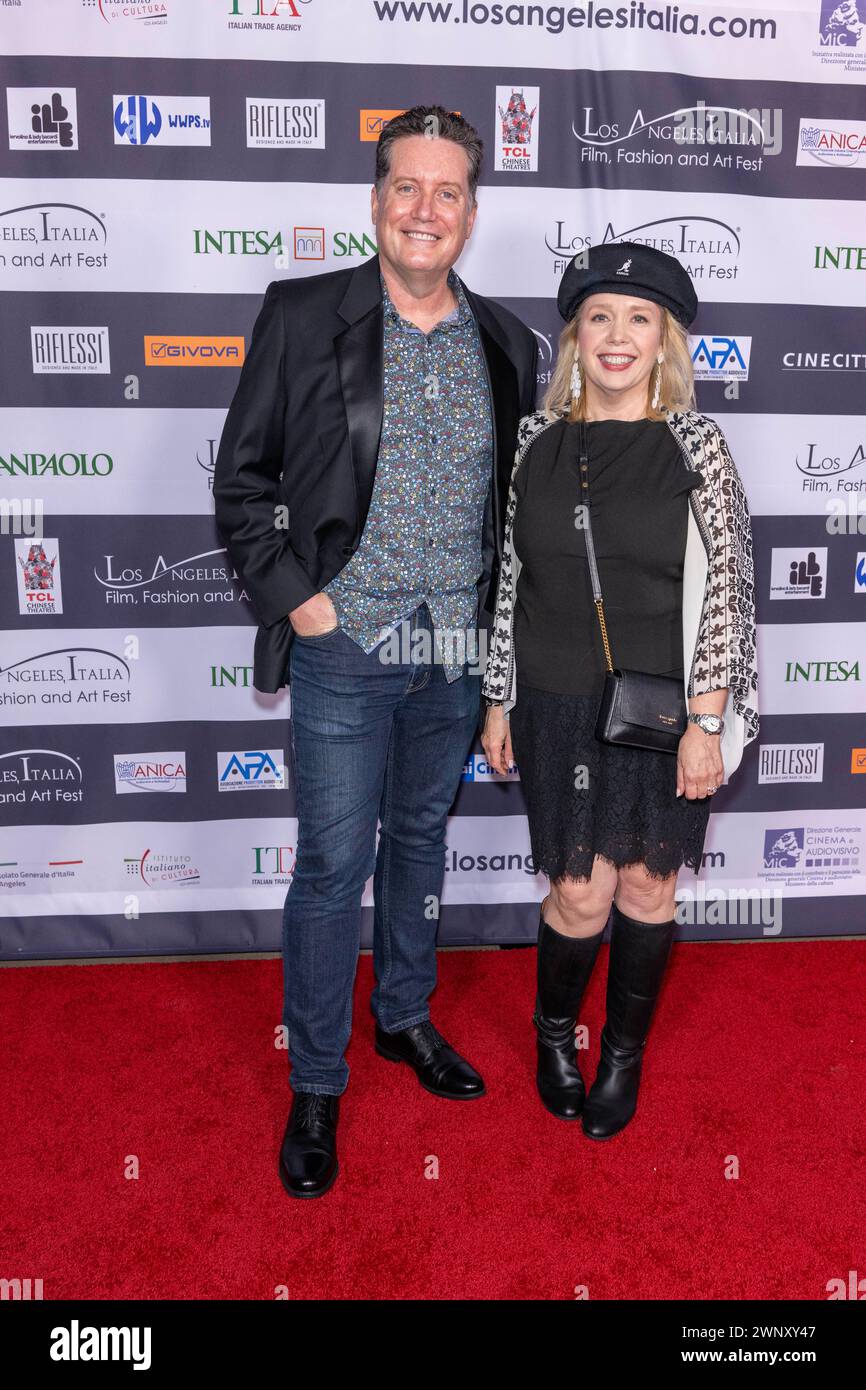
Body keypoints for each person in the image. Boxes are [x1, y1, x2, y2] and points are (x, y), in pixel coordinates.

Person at [213, 105, 538, 1197]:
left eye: (448, 192)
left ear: (471, 214)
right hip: (345, 648)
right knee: (328, 870)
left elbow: (506, 524)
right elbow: (241, 483)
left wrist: (495, 672)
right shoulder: (305, 316)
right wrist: (303, 603)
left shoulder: (505, 341)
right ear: (374, 199)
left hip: (449, 653)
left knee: (418, 848)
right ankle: (315, 1078)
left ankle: (403, 1016)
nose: (425, 210)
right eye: (407, 186)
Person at [480, 242, 758, 1140]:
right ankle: (554, 1035)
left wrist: (708, 721)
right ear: (574, 338)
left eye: (640, 319)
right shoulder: (533, 442)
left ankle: (624, 1054)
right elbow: (509, 582)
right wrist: (496, 697)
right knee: (578, 894)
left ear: (664, 343)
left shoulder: (697, 446)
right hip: (554, 703)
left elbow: (728, 593)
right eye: (599, 316)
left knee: (646, 886)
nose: (617, 335)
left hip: (663, 711)